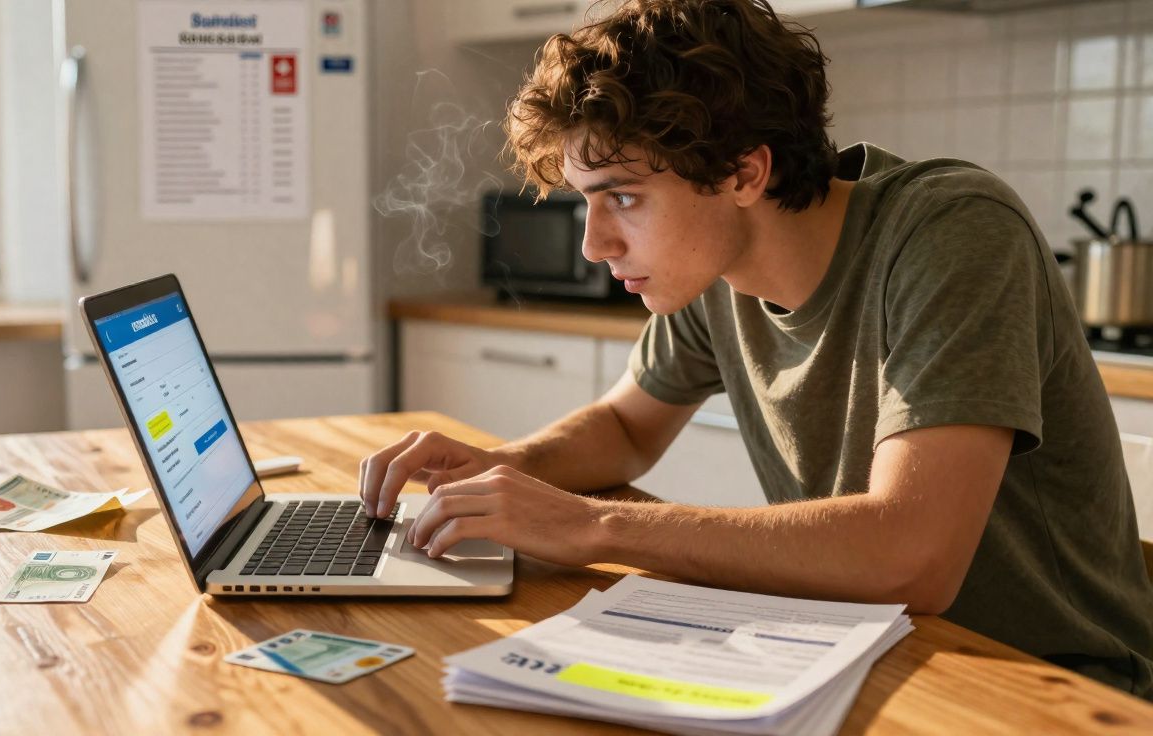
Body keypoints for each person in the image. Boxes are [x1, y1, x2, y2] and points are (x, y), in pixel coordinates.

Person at [360, 0, 1153, 698]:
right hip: (858, 650)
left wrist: (588, 527)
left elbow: (912, 557)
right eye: (587, 205)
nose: (595, 246)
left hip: (1045, 681)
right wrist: (497, 472)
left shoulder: (952, 231)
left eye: (624, 200)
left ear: (744, 171)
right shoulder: (713, 269)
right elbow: (628, 428)